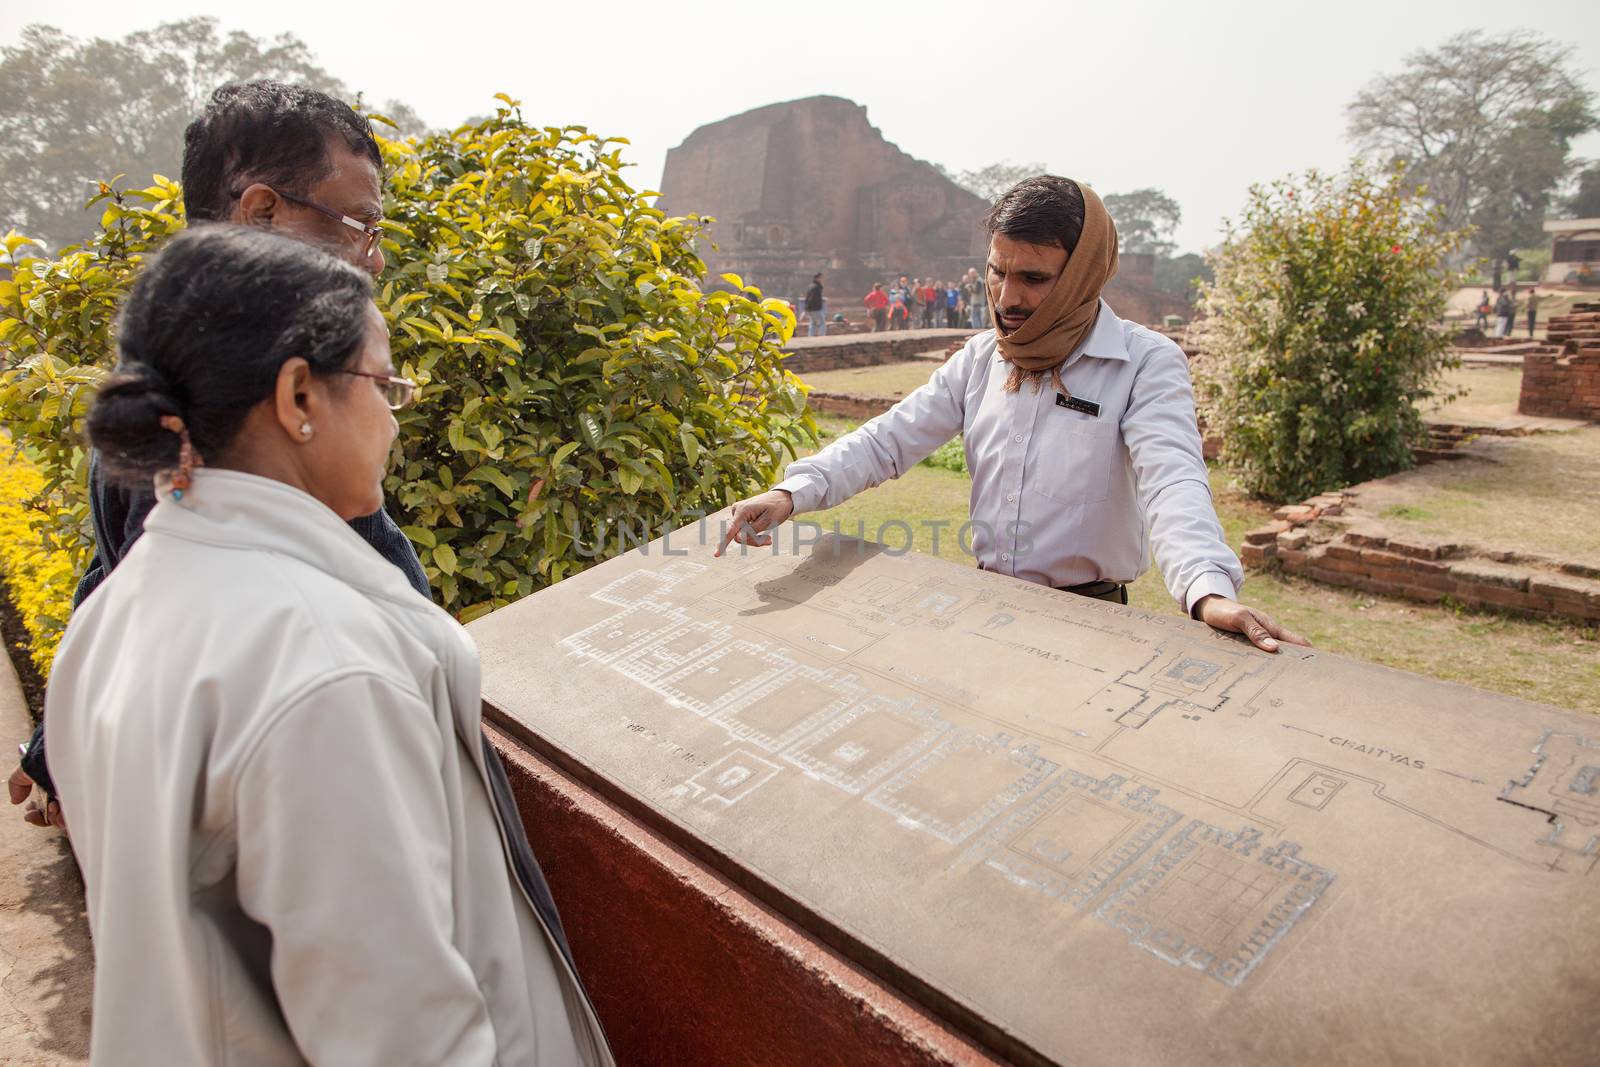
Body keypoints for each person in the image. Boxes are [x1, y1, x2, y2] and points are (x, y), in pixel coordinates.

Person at [48, 224, 613, 1065]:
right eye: (384, 383)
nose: (394, 416)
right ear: (299, 398)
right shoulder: (325, 668)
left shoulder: (117, 611)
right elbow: (404, 1037)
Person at [9, 81, 427, 831]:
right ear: (261, 211)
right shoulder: (246, 426)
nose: (375, 255)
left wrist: (54, 745)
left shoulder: (181, 379)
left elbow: (117, 573)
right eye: (359, 223)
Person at [716, 176, 1308, 655]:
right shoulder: (982, 357)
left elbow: (1172, 480)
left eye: (1034, 277)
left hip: (1089, 622)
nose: (1006, 297)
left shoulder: (1143, 363)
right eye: (997, 271)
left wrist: (1208, 592)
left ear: (1083, 274)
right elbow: (887, 441)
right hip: (982, 607)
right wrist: (793, 491)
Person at [804, 272, 826, 337]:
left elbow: (807, 298)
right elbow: (812, 298)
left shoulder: (811, 286)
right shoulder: (816, 287)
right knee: (822, 323)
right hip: (815, 308)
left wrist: (807, 308)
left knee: (813, 323)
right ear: (817, 278)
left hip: (810, 308)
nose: (822, 279)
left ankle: (810, 336)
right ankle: (822, 336)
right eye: (821, 277)